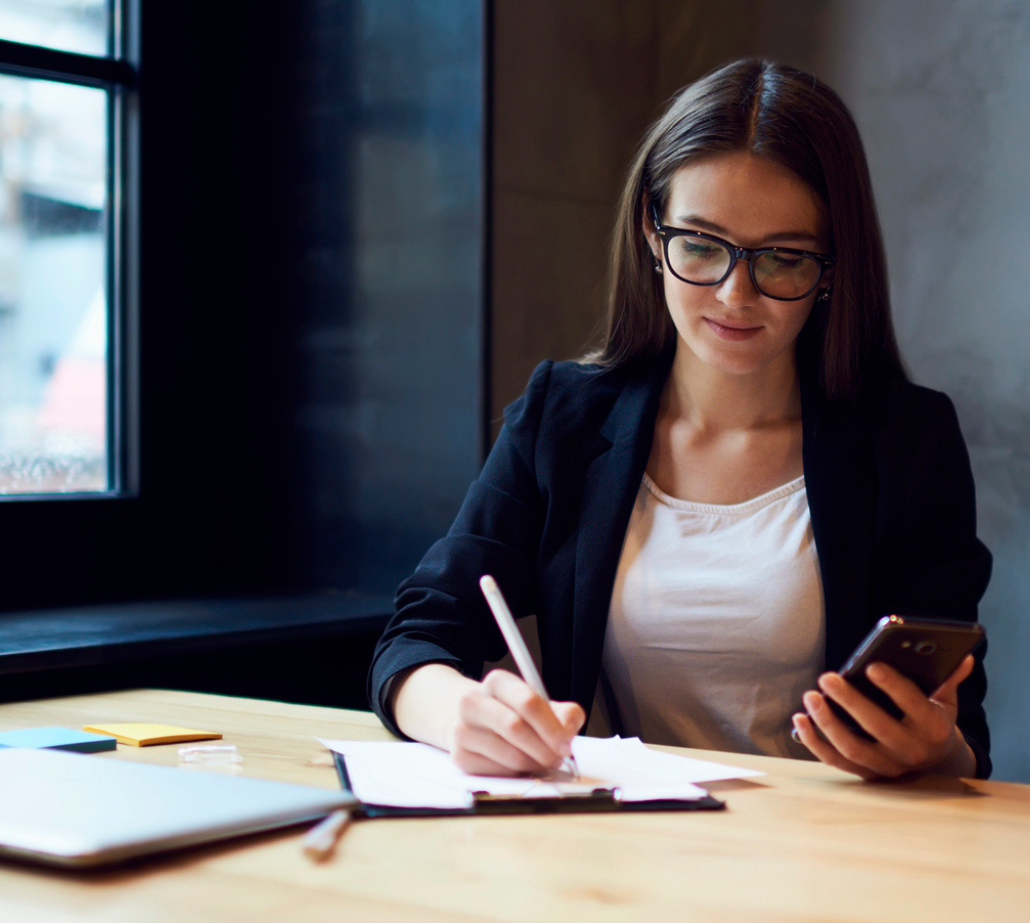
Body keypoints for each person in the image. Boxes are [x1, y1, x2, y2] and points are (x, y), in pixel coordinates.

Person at [368, 59, 992, 782]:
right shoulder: (562, 420)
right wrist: (457, 715)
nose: (734, 295)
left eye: (783, 259)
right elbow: (417, 636)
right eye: (700, 245)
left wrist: (934, 752)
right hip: (614, 854)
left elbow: (963, 736)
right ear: (651, 232)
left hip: (825, 859)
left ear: (831, 269)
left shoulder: (907, 442)